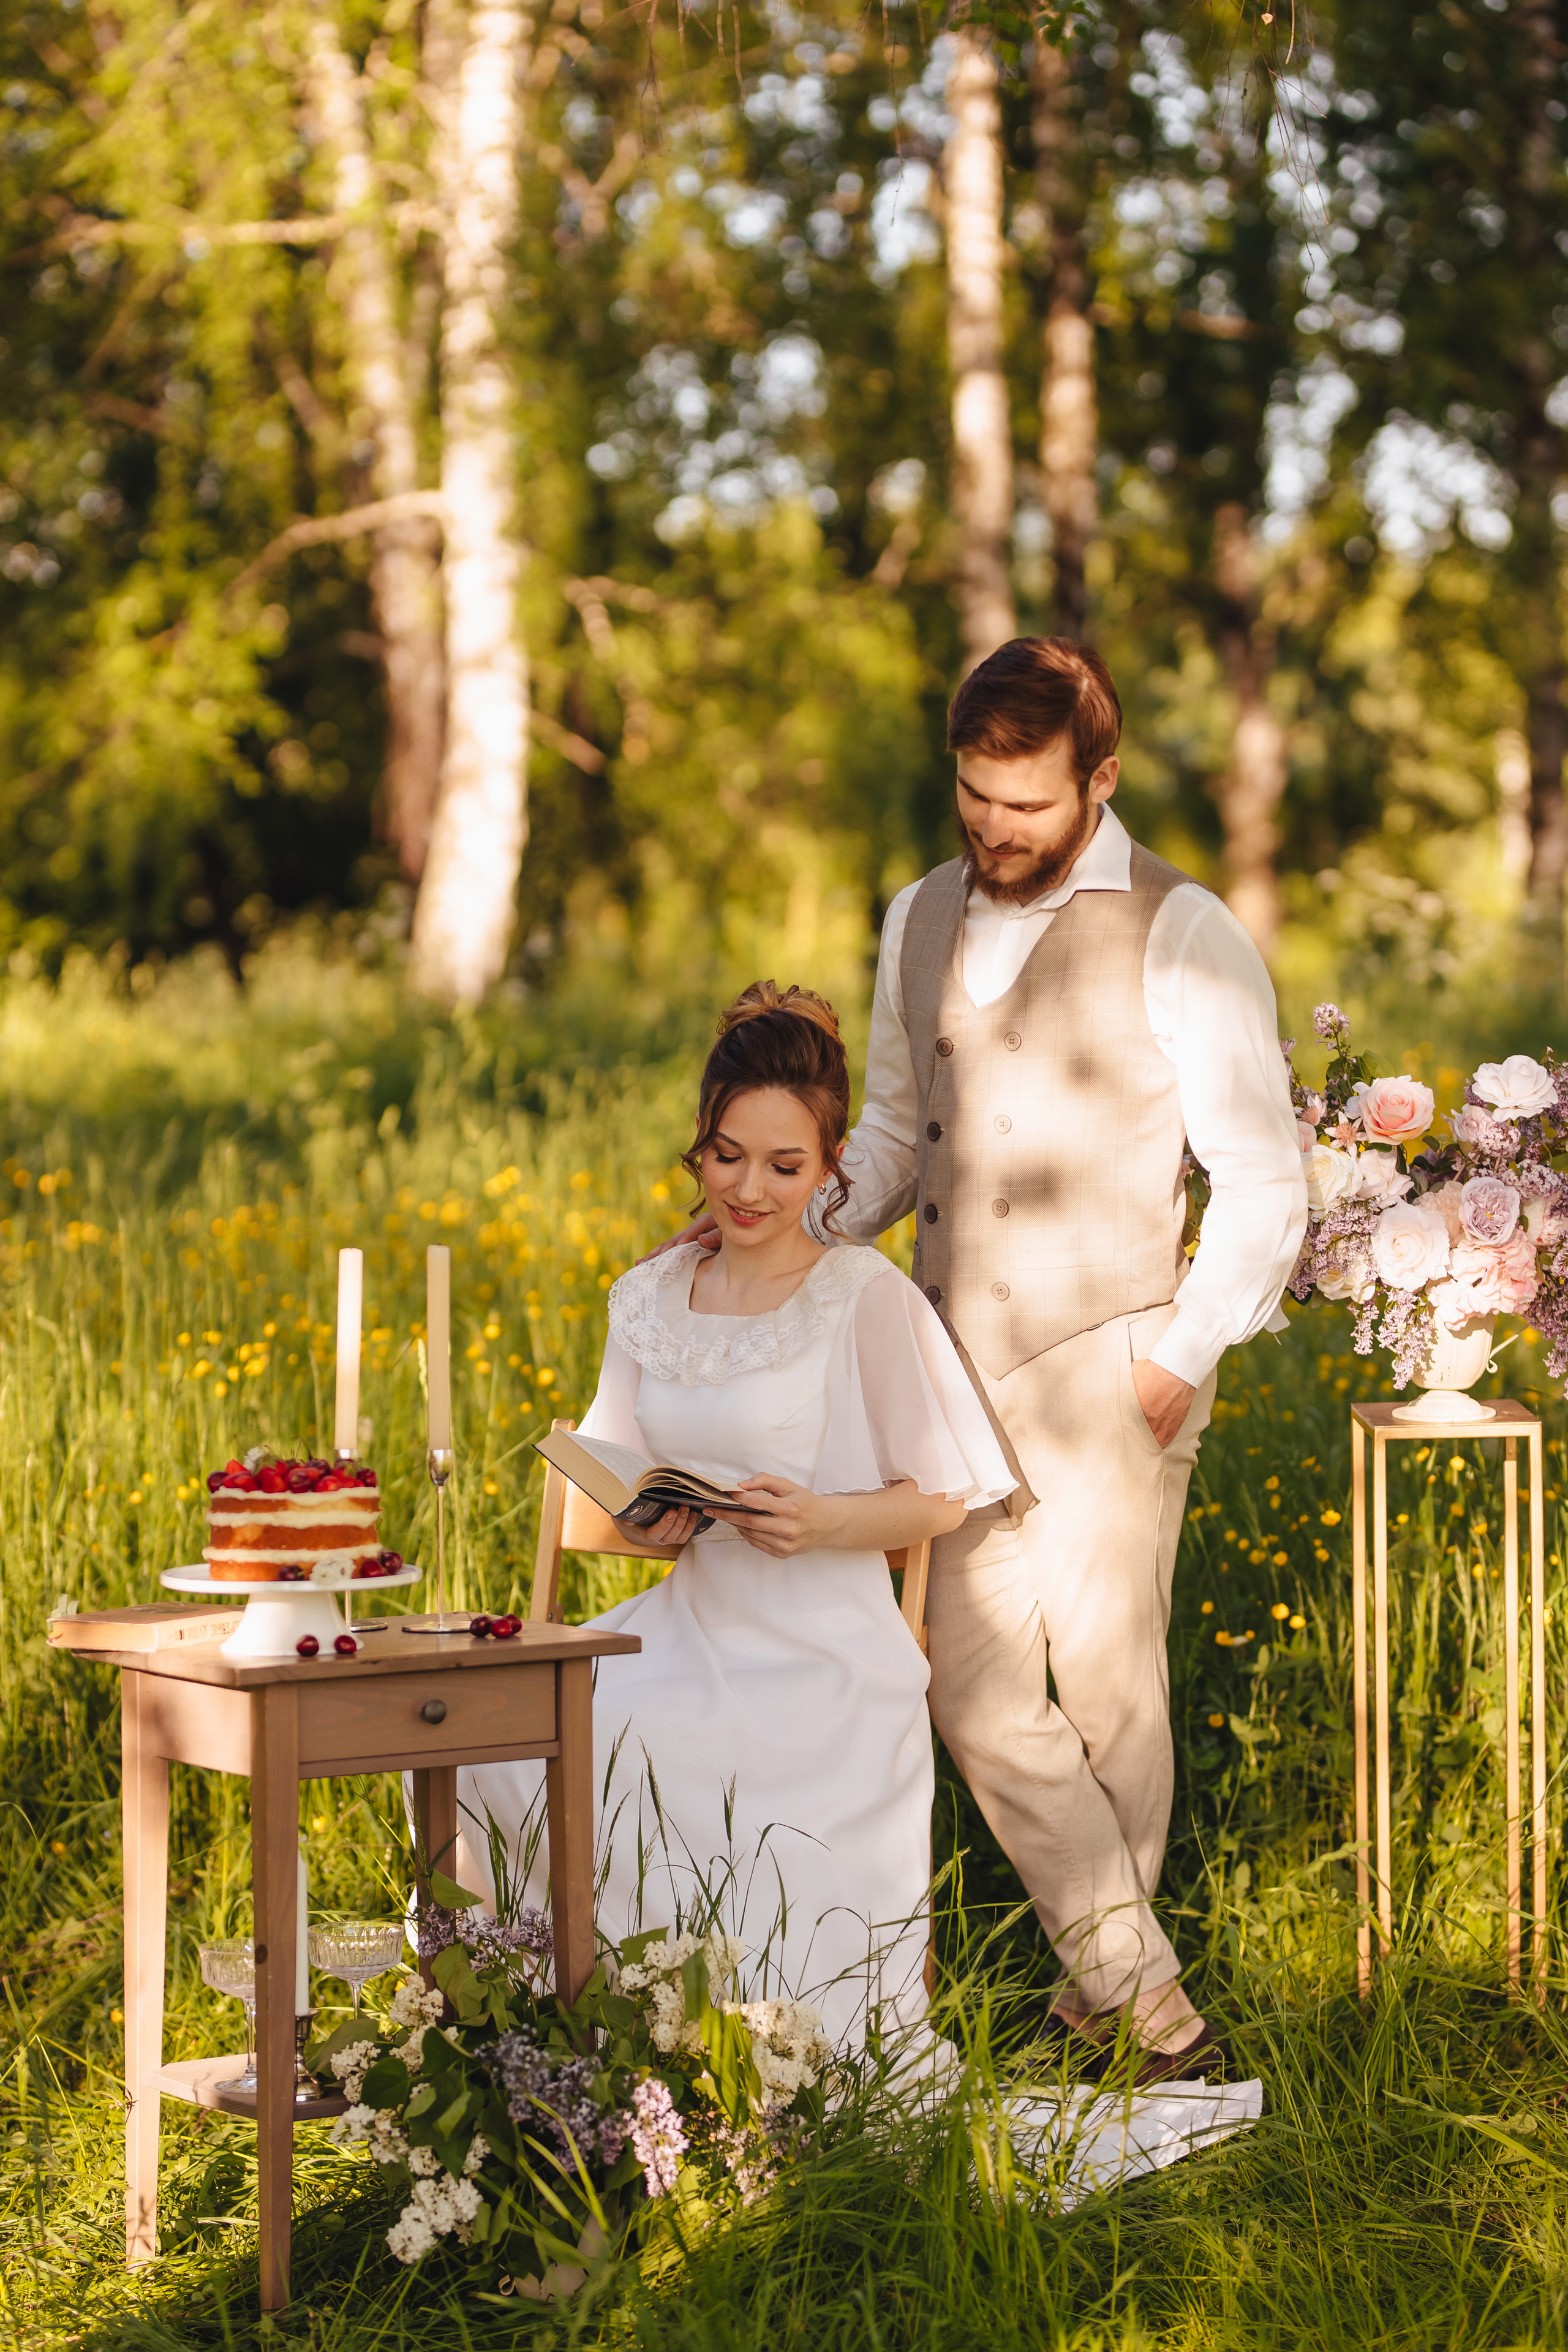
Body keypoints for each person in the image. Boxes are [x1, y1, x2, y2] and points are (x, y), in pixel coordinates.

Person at [666, 639, 1308, 2081]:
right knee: (965, 1693)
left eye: (1024, 803)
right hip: (948, 1368)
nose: (994, 829)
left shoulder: (1181, 927)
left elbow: (1261, 1178)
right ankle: (1146, 2005)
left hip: (1112, 1359)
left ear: (1099, 778)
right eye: (973, 796)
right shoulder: (918, 916)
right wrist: (782, 1216)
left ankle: (1106, 2012)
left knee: (1109, 1695)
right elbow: (901, 1134)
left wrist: (1177, 1355)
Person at [458, 982, 1016, 2045]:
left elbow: (941, 1494)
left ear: (833, 1165)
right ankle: (558, 2045)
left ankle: (730, 2049)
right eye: (725, 1155)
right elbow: (604, 1478)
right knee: (497, 1738)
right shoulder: (653, 1295)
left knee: (651, 1746)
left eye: (784, 1165)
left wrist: (821, 1521)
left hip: (825, 1655)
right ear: (698, 1147)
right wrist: (640, 1523)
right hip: (687, 1624)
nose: (748, 1188)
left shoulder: (862, 1294)